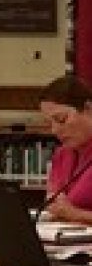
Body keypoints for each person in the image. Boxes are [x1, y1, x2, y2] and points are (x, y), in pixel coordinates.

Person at [38, 74, 92, 223]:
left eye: (61, 119)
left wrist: (76, 214)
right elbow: (53, 203)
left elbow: (68, 211)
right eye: (49, 124)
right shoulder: (62, 154)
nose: (55, 130)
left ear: (88, 108)